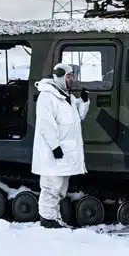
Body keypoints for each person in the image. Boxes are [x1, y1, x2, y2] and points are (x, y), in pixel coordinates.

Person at [32, 60, 89, 228]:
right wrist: (55, 147)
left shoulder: (67, 97)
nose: (71, 79)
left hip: (65, 152)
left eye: (72, 76)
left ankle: (54, 218)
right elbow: (46, 124)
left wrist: (84, 102)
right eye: (69, 76)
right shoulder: (48, 96)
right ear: (60, 77)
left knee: (60, 189)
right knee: (50, 187)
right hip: (53, 152)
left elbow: (79, 118)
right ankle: (47, 220)